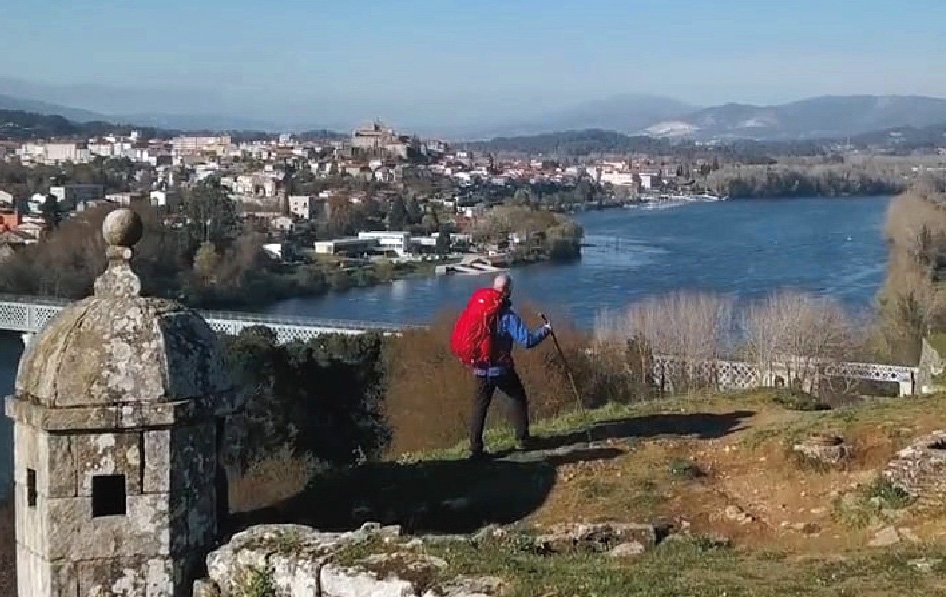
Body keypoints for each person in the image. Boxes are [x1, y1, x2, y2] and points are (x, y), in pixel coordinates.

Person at [469, 273, 552, 460]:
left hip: (480, 367)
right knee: (517, 397)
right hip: (501, 368)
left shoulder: (479, 311)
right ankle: (522, 439)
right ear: (508, 291)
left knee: (479, 407)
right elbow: (527, 341)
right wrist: (545, 331)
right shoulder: (507, 316)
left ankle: (475, 449)